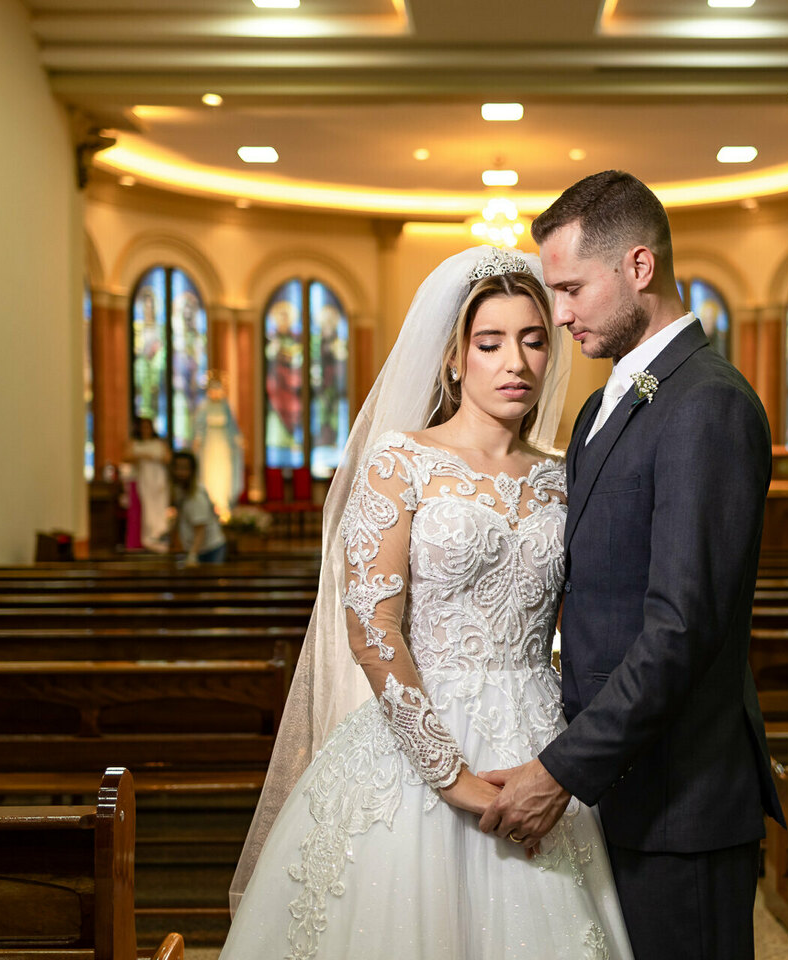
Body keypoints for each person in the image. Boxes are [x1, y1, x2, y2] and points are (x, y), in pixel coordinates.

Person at [221, 246, 631, 960]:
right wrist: (450, 775)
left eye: (534, 340)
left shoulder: (567, 477)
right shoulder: (399, 460)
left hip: (539, 741)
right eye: (491, 342)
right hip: (418, 739)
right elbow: (372, 629)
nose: (517, 363)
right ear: (452, 356)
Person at [478, 171, 783, 960]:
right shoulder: (602, 402)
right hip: (621, 789)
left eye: (574, 288)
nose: (562, 313)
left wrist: (563, 769)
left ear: (639, 268)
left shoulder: (707, 404)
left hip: (681, 801)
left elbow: (680, 628)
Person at [193, 374, 245, 521]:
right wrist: (197, 440)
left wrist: (238, 440)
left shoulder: (225, 406)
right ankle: (210, 505)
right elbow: (199, 428)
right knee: (209, 476)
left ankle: (223, 506)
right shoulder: (204, 407)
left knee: (224, 476)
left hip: (223, 449)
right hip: (209, 450)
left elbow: (232, 428)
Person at [171, 450, 226, 566]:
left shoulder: (196, 497)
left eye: (184, 468)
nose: (180, 473)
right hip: (199, 549)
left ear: (192, 471)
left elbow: (200, 530)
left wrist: (192, 555)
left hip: (210, 550)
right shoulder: (181, 491)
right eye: (177, 468)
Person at [126, 418, 172, 553]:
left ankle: (159, 537)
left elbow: (168, 458)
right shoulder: (134, 443)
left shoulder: (160, 443)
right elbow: (126, 457)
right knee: (146, 509)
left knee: (158, 509)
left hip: (157, 479)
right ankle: (147, 540)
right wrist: (143, 456)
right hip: (143, 479)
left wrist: (154, 457)